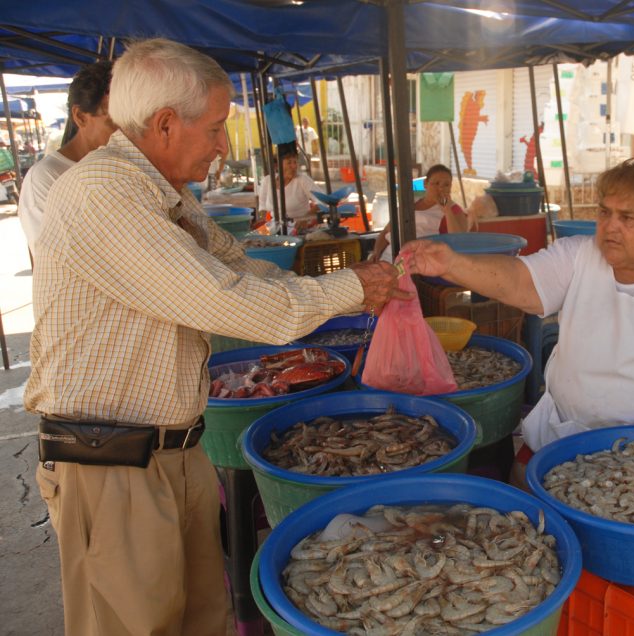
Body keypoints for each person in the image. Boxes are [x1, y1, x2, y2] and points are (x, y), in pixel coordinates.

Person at [26, 38, 403, 636]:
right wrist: (351, 289)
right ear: (166, 124)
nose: (225, 145)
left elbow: (237, 266)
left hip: (175, 451)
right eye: (218, 127)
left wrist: (345, 286)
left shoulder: (162, 192)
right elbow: (226, 299)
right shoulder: (104, 194)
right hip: (111, 465)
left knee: (203, 619)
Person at [402, 158, 634, 474]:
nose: (610, 227)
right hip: (564, 435)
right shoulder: (579, 255)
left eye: (628, 218)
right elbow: (519, 280)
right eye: (604, 213)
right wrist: (451, 264)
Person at [18, 61, 115, 254]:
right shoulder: (47, 177)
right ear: (80, 117)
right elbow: (53, 257)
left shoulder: (118, 165)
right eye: (114, 122)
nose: (125, 132)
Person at [370, 164, 469, 263]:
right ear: (425, 183)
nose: (441, 188)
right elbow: (386, 232)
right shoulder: (408, 204)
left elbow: (459, 241)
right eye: (436, 183)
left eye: (446, 185)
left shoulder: (453, 209)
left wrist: (447, 211)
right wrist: (376, 252)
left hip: (417, 262)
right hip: (389, 256)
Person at [258, 143, 320, 230]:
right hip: (275, 228)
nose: (294, 166)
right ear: (277, 165)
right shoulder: (267, 181)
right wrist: (262, 221)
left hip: (300, 228)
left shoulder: (302, 180)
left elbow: (322, 201)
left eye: (295, 162)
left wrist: (305, 218)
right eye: (289, 163)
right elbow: (262, 207)